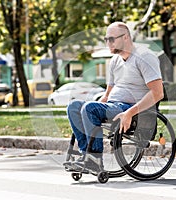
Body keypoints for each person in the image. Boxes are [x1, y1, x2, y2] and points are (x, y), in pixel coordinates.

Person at [64, 21, 164, 171]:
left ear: (126, 38)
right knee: (73, 106)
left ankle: (95, 159)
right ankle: (86, 155)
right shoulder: (114, 61)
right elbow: (107, 94)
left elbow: (158, 93)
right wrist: (93, 104)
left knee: (89, 108)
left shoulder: (144, 57)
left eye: (112, 39)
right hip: (113, 106)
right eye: (106, 40)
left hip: (134, 109)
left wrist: (130, 113)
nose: (108, 43)